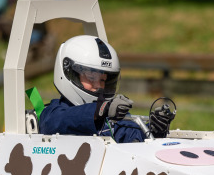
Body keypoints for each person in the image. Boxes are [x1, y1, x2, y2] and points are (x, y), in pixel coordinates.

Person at [39, 35, 175, 143]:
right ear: (70, 73)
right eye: (91, 78)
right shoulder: (52, 113)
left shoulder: (109, 120)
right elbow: (55, 123)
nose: (98, 85)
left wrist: (154, 130)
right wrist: (100, 109)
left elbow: (132, 137)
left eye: (103, 80)